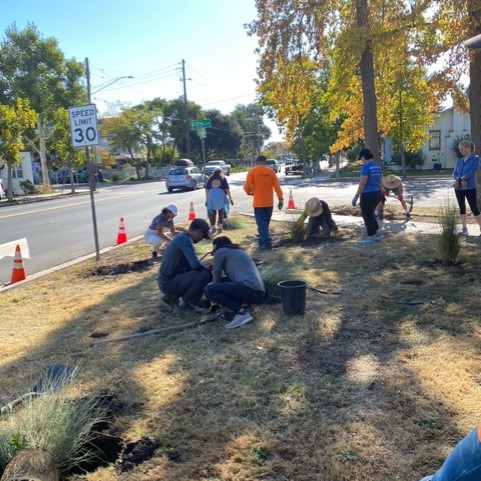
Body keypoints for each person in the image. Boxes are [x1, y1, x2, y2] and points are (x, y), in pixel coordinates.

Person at [204, 236, 265, 329]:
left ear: (216, 247)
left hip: (248, 288)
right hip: (259, 292)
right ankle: (245, 307)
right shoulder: (237, 251)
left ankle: (241, 313)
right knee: (224, 282)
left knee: (209, 289)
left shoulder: (220, 251)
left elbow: (216, 274)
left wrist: (209, 294)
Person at [157, 218, 211, 315]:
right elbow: (195, 265)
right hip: (168, 283)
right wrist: (207, 269)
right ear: (199, 232)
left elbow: (190, 266)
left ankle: (171, 297)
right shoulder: (185, 241)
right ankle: (187, 303)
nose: (201, 239)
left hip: (166, 280)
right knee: (205, 275)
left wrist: (203, 266)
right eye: (202, 237)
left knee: (200, 273)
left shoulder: (182, 238)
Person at [243, 155, 284, 250]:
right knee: (265, 224)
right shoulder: (271, 172)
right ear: (265, 162)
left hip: (258, 203)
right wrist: (280, 199)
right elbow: (277, 187)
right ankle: (261, 242)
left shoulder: (252, 171)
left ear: (256, 162)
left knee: (261, 224)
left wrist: (250, 192)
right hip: (269, 203)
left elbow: (246, 187)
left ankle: (266, 244)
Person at [352, 148, 383, 244]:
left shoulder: (365, 168)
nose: (361, 160)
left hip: (367, 194)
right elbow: (380, 181)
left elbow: (362, 183)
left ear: (364, 156)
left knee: (367, 216)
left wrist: (356, 196)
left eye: (361, 158)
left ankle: (370, 237)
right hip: (377, 193)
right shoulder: (378, 167)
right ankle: (378, 233)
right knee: (371, 214)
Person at [452, 140, 481, 236]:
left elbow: (471, 172)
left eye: (462, 149)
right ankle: (464, 229)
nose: (461, 151)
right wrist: (459, 180)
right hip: (458, 188)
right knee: (462, 208)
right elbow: (454, 174)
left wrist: (461, 179)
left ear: (468, 148)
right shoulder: (459, 161)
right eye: (460, 149)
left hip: (470, 188)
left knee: (474, 208)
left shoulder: (475, 159)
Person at [205, 167, 233, 234]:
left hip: (212, 197)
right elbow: (227, 189)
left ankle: (213, 228)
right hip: (220, 196)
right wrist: (230, 198)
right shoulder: (223, 178)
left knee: (212, 213)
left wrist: (207, 198)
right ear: (221, 172)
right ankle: (220, 228)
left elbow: (206, 190)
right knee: (221, 212)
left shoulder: (210, 179)